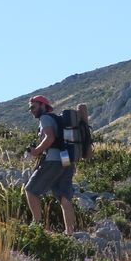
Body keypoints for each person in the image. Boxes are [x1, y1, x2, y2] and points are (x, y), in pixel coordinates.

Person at [23, 95, 77, 233]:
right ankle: (69, 233)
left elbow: (50, 137)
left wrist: (36, 151)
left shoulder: (45, 118)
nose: (31, 110)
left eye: (33, 107)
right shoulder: (57, 119)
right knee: (64, 197)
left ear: (42, 105)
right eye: (30, 108)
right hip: (66, 158)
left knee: (30, 190)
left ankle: (37, 227)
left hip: (54, 160)